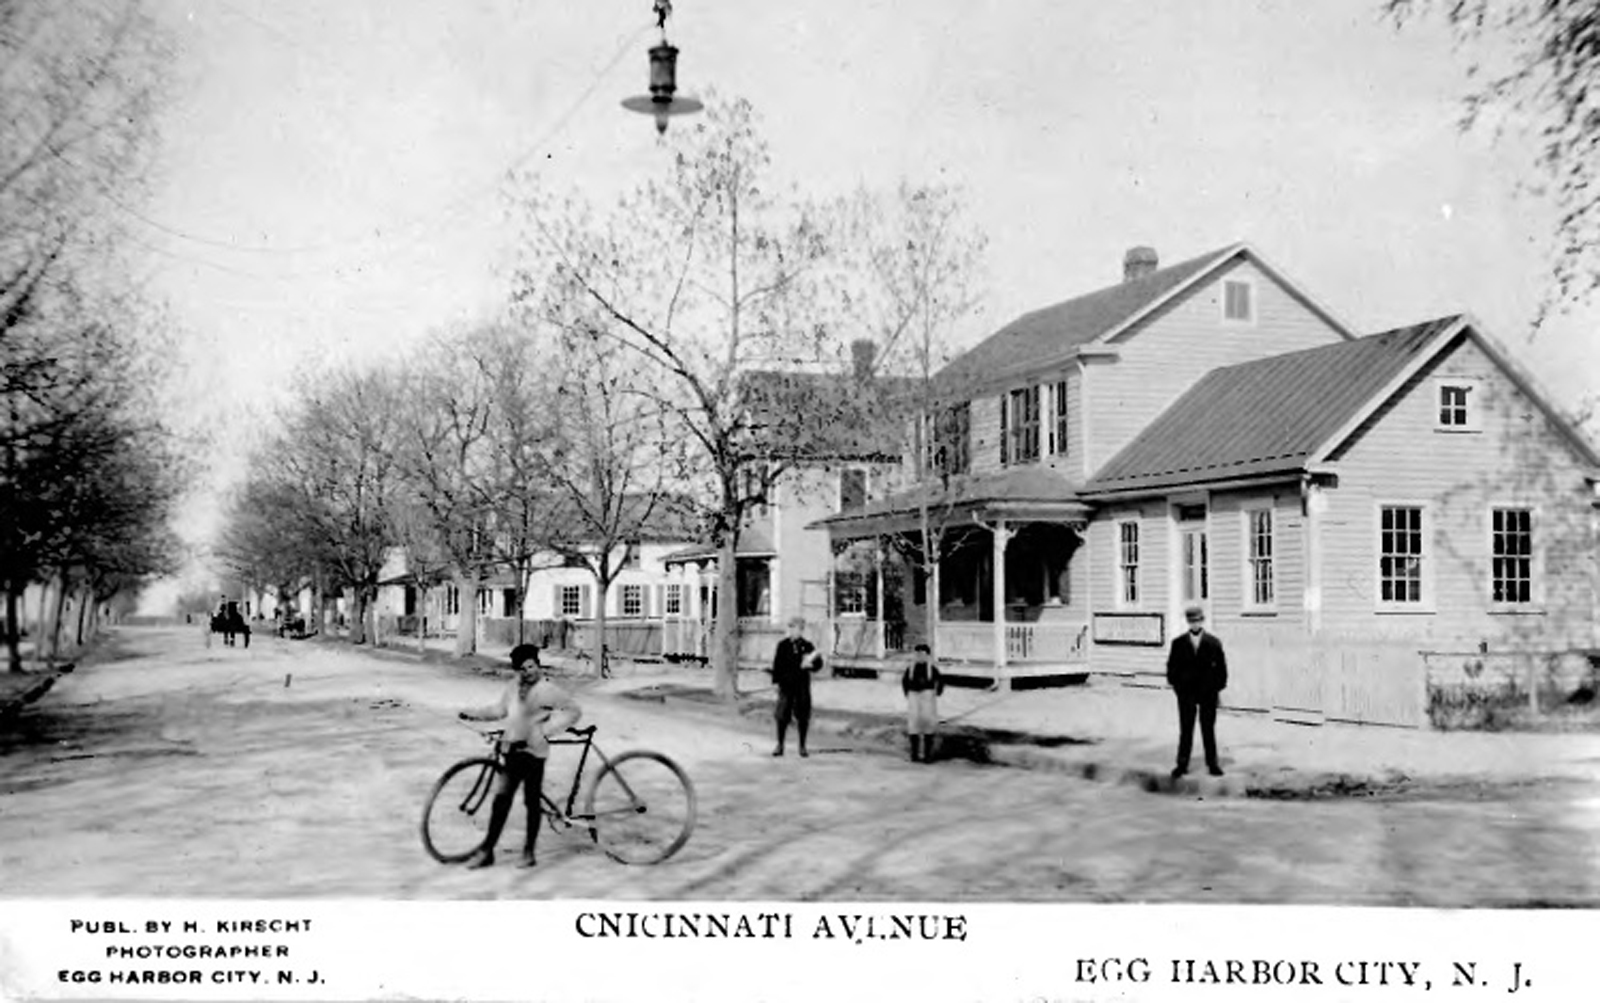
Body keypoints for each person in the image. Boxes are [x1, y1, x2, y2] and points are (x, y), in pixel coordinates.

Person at [458, 643, 581, 868]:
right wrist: (474, 714)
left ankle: (529, 851)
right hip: (512, 750)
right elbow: (500, 710)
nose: (528, 672)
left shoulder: (548, 690)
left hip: (534, 753)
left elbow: (573, 711)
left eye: (531, 666)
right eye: (522, 669)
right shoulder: (513, 687)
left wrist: (545, 731)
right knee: (501, 801)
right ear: (516, 670)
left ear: (538, 664)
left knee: (531, 802)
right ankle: (487, 852)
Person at [1166, 605, 1227, 780]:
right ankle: (1182, 764)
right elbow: (1172, 670)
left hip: (1208, 693)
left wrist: (1216, 689)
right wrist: (1179, 689)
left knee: (1208, 728)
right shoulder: (1178, 643)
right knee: (1186, 729)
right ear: (1187, 622)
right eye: (1191, 621)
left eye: (1198, 621)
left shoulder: (1213, 643)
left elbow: (1222, 670)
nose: (1195, 624)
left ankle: (1212, 764)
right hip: (1187, 694)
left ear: (1202, 621)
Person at [769, 616, 821, 758]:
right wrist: (776, 682)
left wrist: (811, 665)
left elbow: (818, 663)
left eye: (797, 628)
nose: (794, 631)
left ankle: (802, 746)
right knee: (782, 716)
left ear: (801, 630)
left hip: (801, 686)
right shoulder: (783, 645)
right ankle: (780, 745)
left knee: (803, 715)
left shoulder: (807, 646)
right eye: (791, 628)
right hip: (786, 686)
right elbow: (777, 665)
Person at [901, 643, 944, 763]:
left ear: (927, 655)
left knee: (928, 722)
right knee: (913, 723)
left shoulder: (931, 668)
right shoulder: (911, 669)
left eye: (922, 654)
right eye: (917, 654)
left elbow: (939, 679)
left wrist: (939, 690)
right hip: (913, 696)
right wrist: (906, 692)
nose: (920, 656)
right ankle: (914, 753)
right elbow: (905, 681)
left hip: (927, 696)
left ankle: (927, 754)